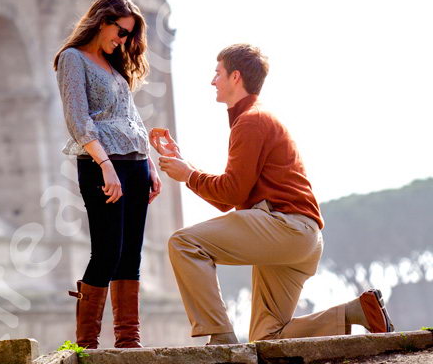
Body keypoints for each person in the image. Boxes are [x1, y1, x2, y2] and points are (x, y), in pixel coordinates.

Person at [151, 44, 393, 344]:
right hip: (302, 237)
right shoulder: (255, 119)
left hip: (285, 227)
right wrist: (188, 171)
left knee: (183, 243)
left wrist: (188, 175)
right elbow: (233, 197)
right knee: (267, 338)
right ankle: (357, 312)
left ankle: (221, 337)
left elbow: (231, 193)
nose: (212, 81)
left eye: (217, 73)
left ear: (235, 77)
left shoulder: (251, 121)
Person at [54, 0, 161, 349]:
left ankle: (128, 341)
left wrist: (152, 166)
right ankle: (86, 345)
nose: (124, 40)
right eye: (121, 31)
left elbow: (130, 117)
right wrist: (105, 166)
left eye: (130, 35)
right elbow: (78, 120)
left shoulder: (115, 65)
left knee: (131, 253)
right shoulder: (73, 59)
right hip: (102, 164)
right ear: (102, 21)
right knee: (107, 252)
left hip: (136, 163)